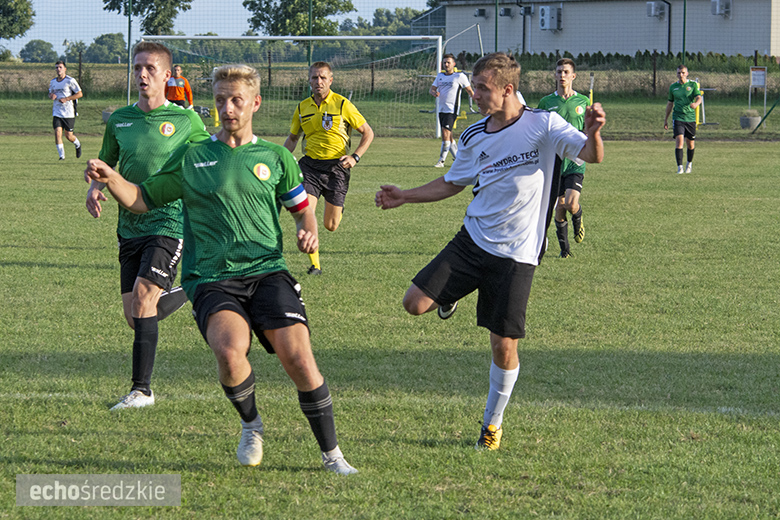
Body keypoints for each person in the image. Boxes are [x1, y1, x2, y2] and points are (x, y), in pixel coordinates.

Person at [85, 64, 358, 475]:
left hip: (268, 271)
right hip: (212, 279)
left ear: (255, 104)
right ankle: (251, 424)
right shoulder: (193, 157)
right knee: (230, 353)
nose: (227, 109)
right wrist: (111, 178)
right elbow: (141, 199)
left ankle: (332, 455)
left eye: (236, 100)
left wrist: (309, 231)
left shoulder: (276, 157)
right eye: (219, 100)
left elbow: (302, 210)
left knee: (299, 359)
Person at [375, 53, 605, 450]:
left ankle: (491, 425)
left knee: (503, 345)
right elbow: (453, 182)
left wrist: (594, 132)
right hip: (472, 240)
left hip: (517, 255)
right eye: (474, 87)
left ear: (507, 89)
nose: (474, 94)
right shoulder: (473, 135)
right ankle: (450, 299)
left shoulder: (544, 124)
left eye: (482, 88)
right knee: (414, 304)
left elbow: (591, 155)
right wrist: (405, 197)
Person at [84, 42, 210, 410]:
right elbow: (105, 164)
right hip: (129, 227)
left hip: (169, 223)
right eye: (137, 67)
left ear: (167, 75)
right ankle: (192, 288)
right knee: (135, 316)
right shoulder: (120, 119)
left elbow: (209, 156)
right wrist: (95, 188)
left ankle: (142, 390)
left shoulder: (187, 121)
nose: (142, 75)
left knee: (142, 298)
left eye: (150, 69)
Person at [283, 61, 374, 275]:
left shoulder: (343, 104)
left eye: (323, 77)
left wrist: (355, 157)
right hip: (310, 167)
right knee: (306, 213)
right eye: (314, 78)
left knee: (331, 225)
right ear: (309, 81)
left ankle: (338, 207)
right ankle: (315, 265)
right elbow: (293, 138)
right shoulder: (302, 107)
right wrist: (281, 159)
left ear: (331, 80)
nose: (319, 82)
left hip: (337, 168)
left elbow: (368, 132)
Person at [538, 58, 590, 258]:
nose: (562, 76)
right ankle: (565, 250)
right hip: (555, 160)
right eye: (559, 72)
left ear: (573, 76)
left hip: (575, 159)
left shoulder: (583, 101)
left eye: (566, 72)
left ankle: (577, 216)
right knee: (559, 205)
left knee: (570, 203)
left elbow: (588, 128)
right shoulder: (546, 102)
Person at [430, 54, 474, 167]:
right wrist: (434, 93)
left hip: (452, 109)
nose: (446, 64)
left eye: (448, 62)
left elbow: (469, 90)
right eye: (444, 62)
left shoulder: (459, 76)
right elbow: (432, 89)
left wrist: (478, 102)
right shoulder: (440, 76)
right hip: (442, 109)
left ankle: (441, 161)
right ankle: (458, 159)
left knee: (445, 133)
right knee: (449, 135)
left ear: (454, 64)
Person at [664, 65, 702, 174]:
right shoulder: (673, 87)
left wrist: (696, 103)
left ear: (687, 73)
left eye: (683, 73)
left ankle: (689, 164)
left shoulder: (693, 84)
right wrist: (666, 119)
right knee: (679, 142)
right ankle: (679, 167)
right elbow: (670, 103)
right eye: (679, 73)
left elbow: (699, 97)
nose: (681, 75)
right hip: (678, 117)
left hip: (690, 118)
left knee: (690, 144)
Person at [48, 61, 83, 161]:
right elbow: (50, 93)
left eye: (60, 67)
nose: (58, 69)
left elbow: (80, 94)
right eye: (56, 67)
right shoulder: (53, 82)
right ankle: (61, 157)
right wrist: (51, 96)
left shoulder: (70, 81)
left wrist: (67, 99)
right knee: (57, 132)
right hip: (57, 111)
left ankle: (77, 144)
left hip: (68, 112)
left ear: (65, 69)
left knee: (69, 136)